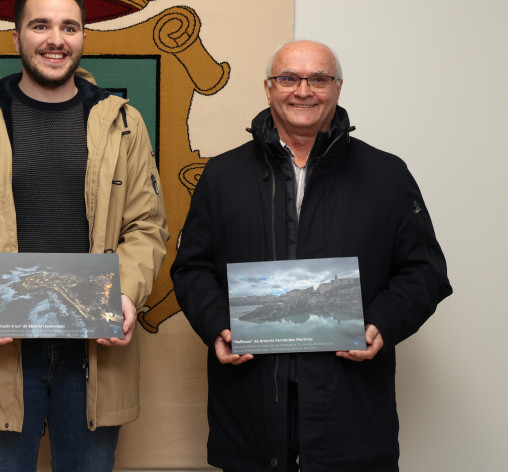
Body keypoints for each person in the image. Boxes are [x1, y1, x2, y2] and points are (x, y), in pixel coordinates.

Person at [170, 40, 452, 472]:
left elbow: (425, 270)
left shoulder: (387, 175)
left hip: (351, 406)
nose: (303, 90)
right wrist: (218, 324)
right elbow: (191, 268)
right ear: (269, 88)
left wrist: (381, 323)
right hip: (250, 404)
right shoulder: (222, 175)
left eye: (318, 79)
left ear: (337, 89)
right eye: (289, 78)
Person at [0, 0, 168, 471]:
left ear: (83, 38)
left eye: (69, 27)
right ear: (16, 38)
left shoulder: (123, 121)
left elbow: (147, 225)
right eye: (40, 25)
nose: (55, 39)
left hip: (93, 354)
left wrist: (125, 293)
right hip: (1, 348)